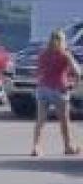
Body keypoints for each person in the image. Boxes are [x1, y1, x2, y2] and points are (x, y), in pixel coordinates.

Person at [32, 29, 81, 157]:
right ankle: (68, 146)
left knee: (40, 120)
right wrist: (74, 84)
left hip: (43, 88)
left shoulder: (43, 54)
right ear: (62, 41)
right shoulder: (65, 55)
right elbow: (77, 72)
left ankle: (36, 147)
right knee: (64, 121)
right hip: (59, 89)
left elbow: (37, 72)